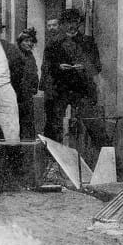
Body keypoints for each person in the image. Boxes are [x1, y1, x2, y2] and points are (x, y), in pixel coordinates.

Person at [42, 9, 106, 148]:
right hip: (60, 90)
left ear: (79, 23)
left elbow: (97, 66)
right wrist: (59, 67)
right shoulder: (53, 43)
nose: (71, 26)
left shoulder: (88, 42)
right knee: (54, 127)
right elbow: (47, 67)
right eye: (67, 23)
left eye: (74, 22)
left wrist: (83, 67)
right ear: (63, 25)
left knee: (94, 124)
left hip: (82, 90)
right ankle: (52, 163)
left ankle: (111, 163)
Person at [16, 28, 39, 140]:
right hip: (15, 96)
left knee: (27, 123)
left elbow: (34, 73)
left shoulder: (31, 56)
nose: (29, 44)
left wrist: (34, 87)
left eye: (31, 41)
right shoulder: (14, 55)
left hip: (27, 96)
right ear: (20, 42)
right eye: (26, 41)